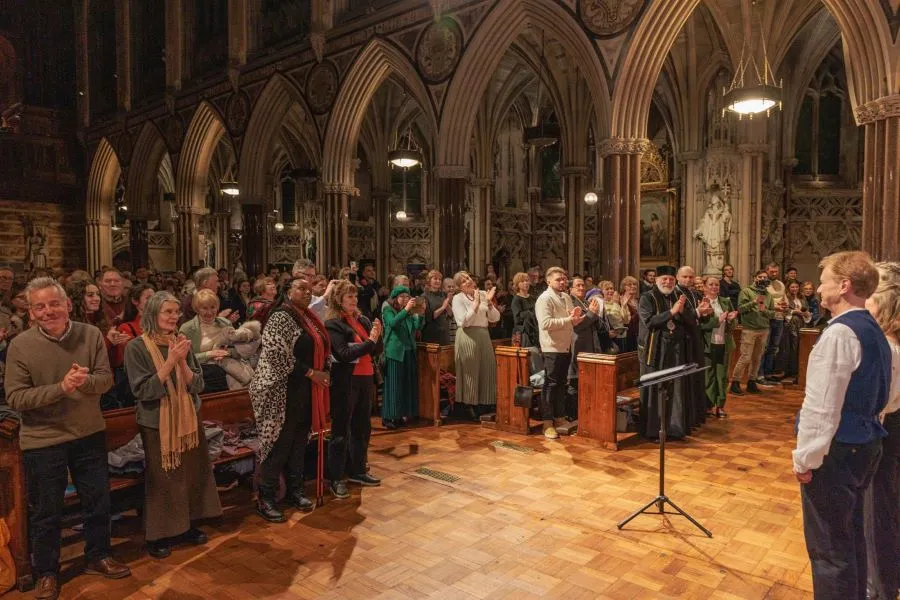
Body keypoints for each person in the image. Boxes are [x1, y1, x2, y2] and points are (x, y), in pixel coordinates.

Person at [5, 278, 130, 599]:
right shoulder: (21, 345)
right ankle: (47, 571)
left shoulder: (90, 335)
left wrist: (83, 382)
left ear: (68, 305)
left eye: (54, 304)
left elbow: (106, 380)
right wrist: (61, 388)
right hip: (43, 439)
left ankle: (98, 555)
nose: (48, 311)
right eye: (39, 306)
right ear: (31, 313)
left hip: (88, 432)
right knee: (47, 510)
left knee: (98, 500)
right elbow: (16, 398)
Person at [793, 251, 890, 600]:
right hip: (865, 445)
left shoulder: (839, 334)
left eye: (825, 282)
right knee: (851, 538)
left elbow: (822, 408)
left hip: (837, 453)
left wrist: (805, 459)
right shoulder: (873, 329)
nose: (819, 288)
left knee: (829, 550)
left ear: (844, 286)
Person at [124, 291, 221, 558]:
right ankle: (158, 535)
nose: (174, 317)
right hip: (158, 422)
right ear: (153, 314)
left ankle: (186, 525)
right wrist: (170, 362)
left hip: (188, 417)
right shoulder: (136, 347)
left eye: (176, 312)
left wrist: (183, 362)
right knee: (164, 477)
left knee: (189, 472)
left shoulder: (180, 341)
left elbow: (198, 384)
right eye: (167, 311)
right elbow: (143, 391)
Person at [250, 277, 330, 522]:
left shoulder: (307, 317)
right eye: (301, 288)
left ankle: (295, 490)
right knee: (278, 443)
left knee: (298, 442)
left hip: (303, 388)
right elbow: (276, 355)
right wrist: (312, 372)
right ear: (287, 291)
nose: (306, 293)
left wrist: (323, 368)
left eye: (309, 290)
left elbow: (320, 345)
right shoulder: (280, 316)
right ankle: (266, 498)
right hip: (279, 389)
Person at [325, 281, 383, 498]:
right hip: (346, 381)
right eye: (349, 296)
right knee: (341, 431)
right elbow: (343, 354)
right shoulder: (333, 324)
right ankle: (336, 478)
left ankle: (358, 470)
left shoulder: (362, 320)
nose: (354, 300)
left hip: (366, 377)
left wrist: (377, 335)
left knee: (362, 427)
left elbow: (375, 350)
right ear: (338, 299)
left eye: (355, 296)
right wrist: (370, 342)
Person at [863, 261, 900, 600]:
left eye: (870, 297)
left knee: (878, 512)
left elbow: (881, 405)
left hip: (884, 436)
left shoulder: (887, 347)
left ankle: (879, 587)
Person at [637, 266, 692, 440]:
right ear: (656, 280)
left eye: (671, 279)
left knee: (675, 388)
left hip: (675, 349)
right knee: (655, 388)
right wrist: (672, 312)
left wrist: (682, 312)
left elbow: (690, 320)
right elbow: (649, 321)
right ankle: (653, 431)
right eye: (664, 279)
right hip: (655, 350)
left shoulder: (678, 296)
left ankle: (674, 429)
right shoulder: (647, 297)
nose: (668, 282)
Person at [535, 267, 583, 439]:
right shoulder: (544, 298)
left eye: (564, 279)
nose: (562, 282)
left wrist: (579, 318)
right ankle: (547, 423)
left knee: (562, 383)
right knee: (551, 384)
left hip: (566, 345)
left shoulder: (566, 297)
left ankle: (560, 417)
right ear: (548, 281)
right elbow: (545, 323)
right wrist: (569, 319)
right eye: (558, 279)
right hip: (552, 347)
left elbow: (572, 321)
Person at [452, 272, 500, 419]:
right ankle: (469, 405)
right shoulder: (458, 298)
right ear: (459, 287)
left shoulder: (483, 294)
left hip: (484, 335)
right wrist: (475, 306)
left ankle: (486, 403)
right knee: (470, 371)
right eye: (463, 281)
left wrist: (489, 304)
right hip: (468, 336)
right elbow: (463, 322)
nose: (468, 281)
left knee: (488, 368)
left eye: (468, 278)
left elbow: (495, 318)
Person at [179, 289, 239, 392]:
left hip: (227, 371)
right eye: (205, 308)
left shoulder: (226, 323)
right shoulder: (186, 329)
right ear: (197, 309)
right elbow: (185, 360)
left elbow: (237, 350)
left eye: (213, 307)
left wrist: (227, 353)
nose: (210, 312)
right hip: (202, 376)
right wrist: (210, 354)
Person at [381, 286, 424, 428]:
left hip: (409, 350)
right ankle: (389, 417)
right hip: (394, 352)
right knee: (393, 385)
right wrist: (406, 310)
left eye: (407, 296)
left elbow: (417, 327)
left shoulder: (409, 312)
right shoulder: (388, 310)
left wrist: (420, 313)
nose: (405, 299)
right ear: (395, 298)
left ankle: (400, 415)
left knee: (405, 386)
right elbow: (393, 323)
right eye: (402, 296)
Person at [676, 266, 712, 429]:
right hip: (684, 341)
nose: (688, 280)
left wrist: (706, 313)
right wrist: (698, 312)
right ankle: (687, 417)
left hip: (696, 338)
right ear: (678, 277)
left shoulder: (694, 293)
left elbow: (700, 317)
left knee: (697, 375)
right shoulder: (675, 293)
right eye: (685, 277)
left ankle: (696, 415)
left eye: (691, 277)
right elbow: (681, 316)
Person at [729, 270, 775, 396]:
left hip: (764, 329)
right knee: (745, 357)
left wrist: (764, 310)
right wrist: (754, 302)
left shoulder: (768, 295)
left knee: (757, 358)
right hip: (749, 329)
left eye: (765, 277)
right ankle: (735, 383)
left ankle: (751, 381)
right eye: (760, 277)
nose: (763, 279)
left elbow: (772, 314)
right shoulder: (746, 291)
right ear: (755, 278)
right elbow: (740, 309)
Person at [699, 276, 737, 418]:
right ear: (704, 287)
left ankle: (720, 406)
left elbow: (733, 325)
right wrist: (717, 320)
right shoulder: (701, 302)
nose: (714, 287)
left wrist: (731, 320)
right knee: (708, 377)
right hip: (708, 345)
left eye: (716, 285)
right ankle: (708, 406)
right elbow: (700, 326)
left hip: (724, 344)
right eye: (711, 284)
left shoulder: (726, 302)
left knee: (722, 377)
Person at [567, 277, 603, 420]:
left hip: (591, 345)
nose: (582, 288)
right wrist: (591, 313)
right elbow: (577, 326)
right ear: (571, 289)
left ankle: (586, 413)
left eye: (583, 285)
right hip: (578, 345)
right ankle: (573, 415)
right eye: (578, 286)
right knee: (575, 381)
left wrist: (597, 313)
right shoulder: (570, 302)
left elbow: (596, 324)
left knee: (588, 381)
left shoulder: (587, 302)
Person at [759, 263, 788, 383]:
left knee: (773, 347)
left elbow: (784, 298)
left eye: (776, 271)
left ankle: (768, 373)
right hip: (767, 318)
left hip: (779, 318)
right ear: (767, 271)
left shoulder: (780, 284)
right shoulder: (762, 284)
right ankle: (759, 375)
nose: (775, 274)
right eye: (772, 272)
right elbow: (762, 302)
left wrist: (785, 305)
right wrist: (776, 307)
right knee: (764, 347)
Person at [782, 281, 811, 383]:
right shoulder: (786, 298)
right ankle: (791, 371)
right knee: (792, 347)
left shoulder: (802, 298)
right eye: (792, 287)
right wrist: (794, 311)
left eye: (796, 287)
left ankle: (799, 371)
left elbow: (806, 310)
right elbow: (784, 310)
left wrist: (806, 314)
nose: (795, 289)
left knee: (800, 347)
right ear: (788, 288)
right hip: (791, 324)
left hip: (801, 324)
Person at [420, 270, 452, 345]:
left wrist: (448, 304)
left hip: (444, 333)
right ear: (429, 280)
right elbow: (428, 317)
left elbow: (451, 315)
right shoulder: (424, 296)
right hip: (432, 333)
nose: (438, 281)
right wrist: (443, 307)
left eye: (440, 279)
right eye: (435, 279)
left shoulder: (444, 294)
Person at [510, 272, 538, 347]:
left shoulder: (532, 298)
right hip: (523, 332)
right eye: (522, 281)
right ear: (517, 284)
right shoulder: (516, 299)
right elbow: (517, 318)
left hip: (534, 329)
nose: (526, 283)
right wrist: (528, 314)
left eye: (527, 281)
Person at [619, 276, 640, 352]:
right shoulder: (619, 299)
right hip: (626, 334)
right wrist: (624, 305)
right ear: (624, 287)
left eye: (634, 284)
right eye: (629, 284)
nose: (633, 286)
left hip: (638, 333)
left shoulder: (638, 300)